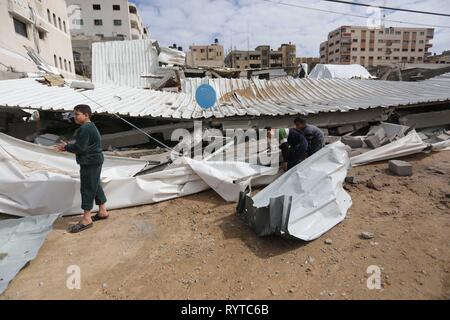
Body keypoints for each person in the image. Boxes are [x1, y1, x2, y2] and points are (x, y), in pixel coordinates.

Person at [55, 104, 108, 233]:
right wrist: (69, 146)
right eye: (74, 114)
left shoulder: (85, 128)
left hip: (90, 162)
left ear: (86, 115)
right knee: (95, 185)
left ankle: (86, 218)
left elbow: (80, 148)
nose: (74, 117)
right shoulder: (91, 127)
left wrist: (66, 147)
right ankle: (102, 211)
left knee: (87, 188)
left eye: (77, 114)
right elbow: (83, 145)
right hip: (95, 160)